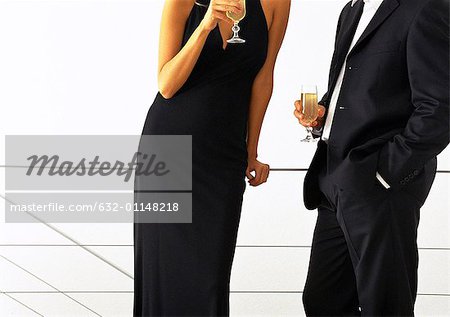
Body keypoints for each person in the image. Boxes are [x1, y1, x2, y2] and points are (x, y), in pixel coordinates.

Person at [134, 0, 290, 315]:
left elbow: (263, 78)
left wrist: (251, 151)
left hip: (224, 156)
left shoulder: (277, 3)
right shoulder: (181, 3)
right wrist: (205, 25)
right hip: (168, 151)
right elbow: (166, 85)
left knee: (210, 279)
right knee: (163, 275)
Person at [294, 0, 449, 315]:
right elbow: (355, 86)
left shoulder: (424, 8)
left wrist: (385, 173)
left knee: (385, 304)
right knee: (322, 301)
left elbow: (439, 108)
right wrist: (324, 110)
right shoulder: (352, 10)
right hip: (333, 178)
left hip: (378, 185)